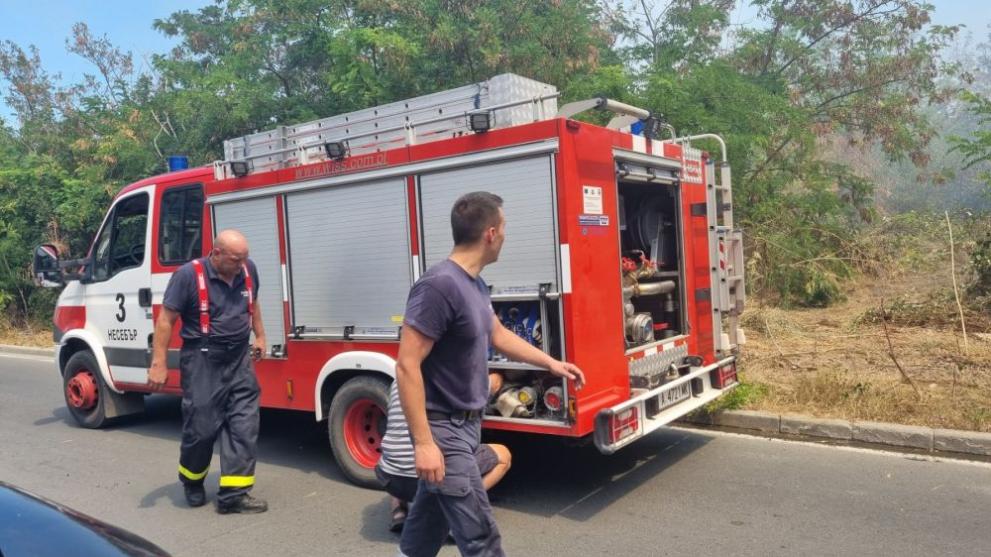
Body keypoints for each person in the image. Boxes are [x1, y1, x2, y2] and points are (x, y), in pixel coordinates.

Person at [396, 191, 585, 557]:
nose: (506, 236)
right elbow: (407, 364)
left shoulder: (474, 284)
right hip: (444, 430)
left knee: (423, 530)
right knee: (481, 537)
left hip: (467, 426)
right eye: (505, 228)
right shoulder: (439, 286)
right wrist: (423, 444)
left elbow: (498, 335)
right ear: (490, 234)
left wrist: (550, 363)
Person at [147, 229, 268, 514]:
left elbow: (254, 304)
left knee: (244, 426)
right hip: (202, 359)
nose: (241, 265)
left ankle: (233, 495)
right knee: (201, 429)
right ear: (216, 254)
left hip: (238, 359)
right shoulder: (188, 276)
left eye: (244, 259)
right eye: (235, 260)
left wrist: (260, 336)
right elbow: (166, 320)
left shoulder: (248, 270)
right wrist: (159, 363)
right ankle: (192, 480)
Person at [376, 373, 511, 533]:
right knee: (504, 455)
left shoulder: (401, 375)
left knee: (402, 448)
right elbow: (492, 384)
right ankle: (458, 511)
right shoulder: (449, 376)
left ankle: (398, 513)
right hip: (430, 477)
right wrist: (500, 376)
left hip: (390, 478)